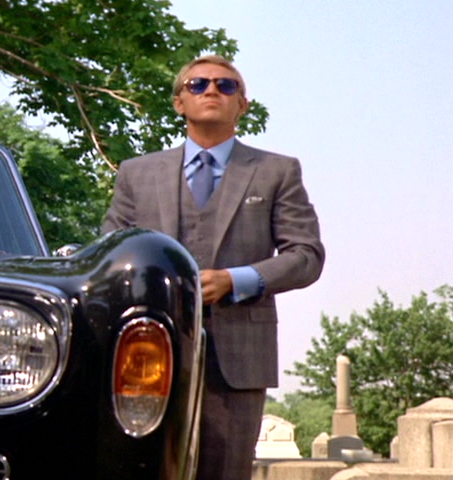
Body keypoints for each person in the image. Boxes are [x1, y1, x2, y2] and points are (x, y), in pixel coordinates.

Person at [102, 55, 325, 479]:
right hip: (147, 354)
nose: (211, 91)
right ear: (179, 102)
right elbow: (111, 255)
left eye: (225, 86)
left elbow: (306, 255)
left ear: (242, 104)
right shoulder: (136, 173)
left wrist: (236, 280)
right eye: (198, 84)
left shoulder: (276, 171)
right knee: (140, 470)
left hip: (238, 357)